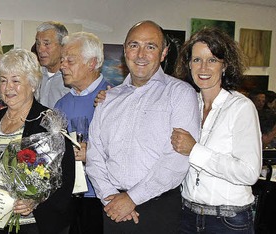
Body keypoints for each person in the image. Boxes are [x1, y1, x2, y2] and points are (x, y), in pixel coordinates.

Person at [85, 20, 200, 233]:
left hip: (159, 209)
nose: (140, 54)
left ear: (164, 53)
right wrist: (110, 197)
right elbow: (95, 155)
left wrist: (132, 198)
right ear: (124, 50)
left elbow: (177, 159)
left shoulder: (180, 94)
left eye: (150, 46)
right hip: (112, 207)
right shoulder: (108, 99)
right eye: (134, 45)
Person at [171, 27, 261, 233]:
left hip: (228, 221)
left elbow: (249, 173)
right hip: (187, 216)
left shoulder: (241, 107)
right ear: (188, 64)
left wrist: (194, 151)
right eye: (196, 60)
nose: (203, 67)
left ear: (225, 65)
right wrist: (112, 98)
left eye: (212, 60)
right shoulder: (187, 103)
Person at [0, 49, 75, 234]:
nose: (8, 87)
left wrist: (35, 200)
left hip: (35, 225)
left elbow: (65, 177)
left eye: (15, 80)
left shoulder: (48, 120)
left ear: (33, 84)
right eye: (3, 80)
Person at [53, 32, 111, 234]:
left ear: (92, 63)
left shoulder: (115, 97)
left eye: (70, 60)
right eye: (62, 60)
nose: (62, 66)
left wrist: (92, 153)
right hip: (67, 197)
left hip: (102, 198)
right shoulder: (62, 103)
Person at [35, 21, 70, 108]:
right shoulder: (35, 74)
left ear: (63, 46)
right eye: (38, 44)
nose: (40, 49)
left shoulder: (72, 78)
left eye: (46, 44)